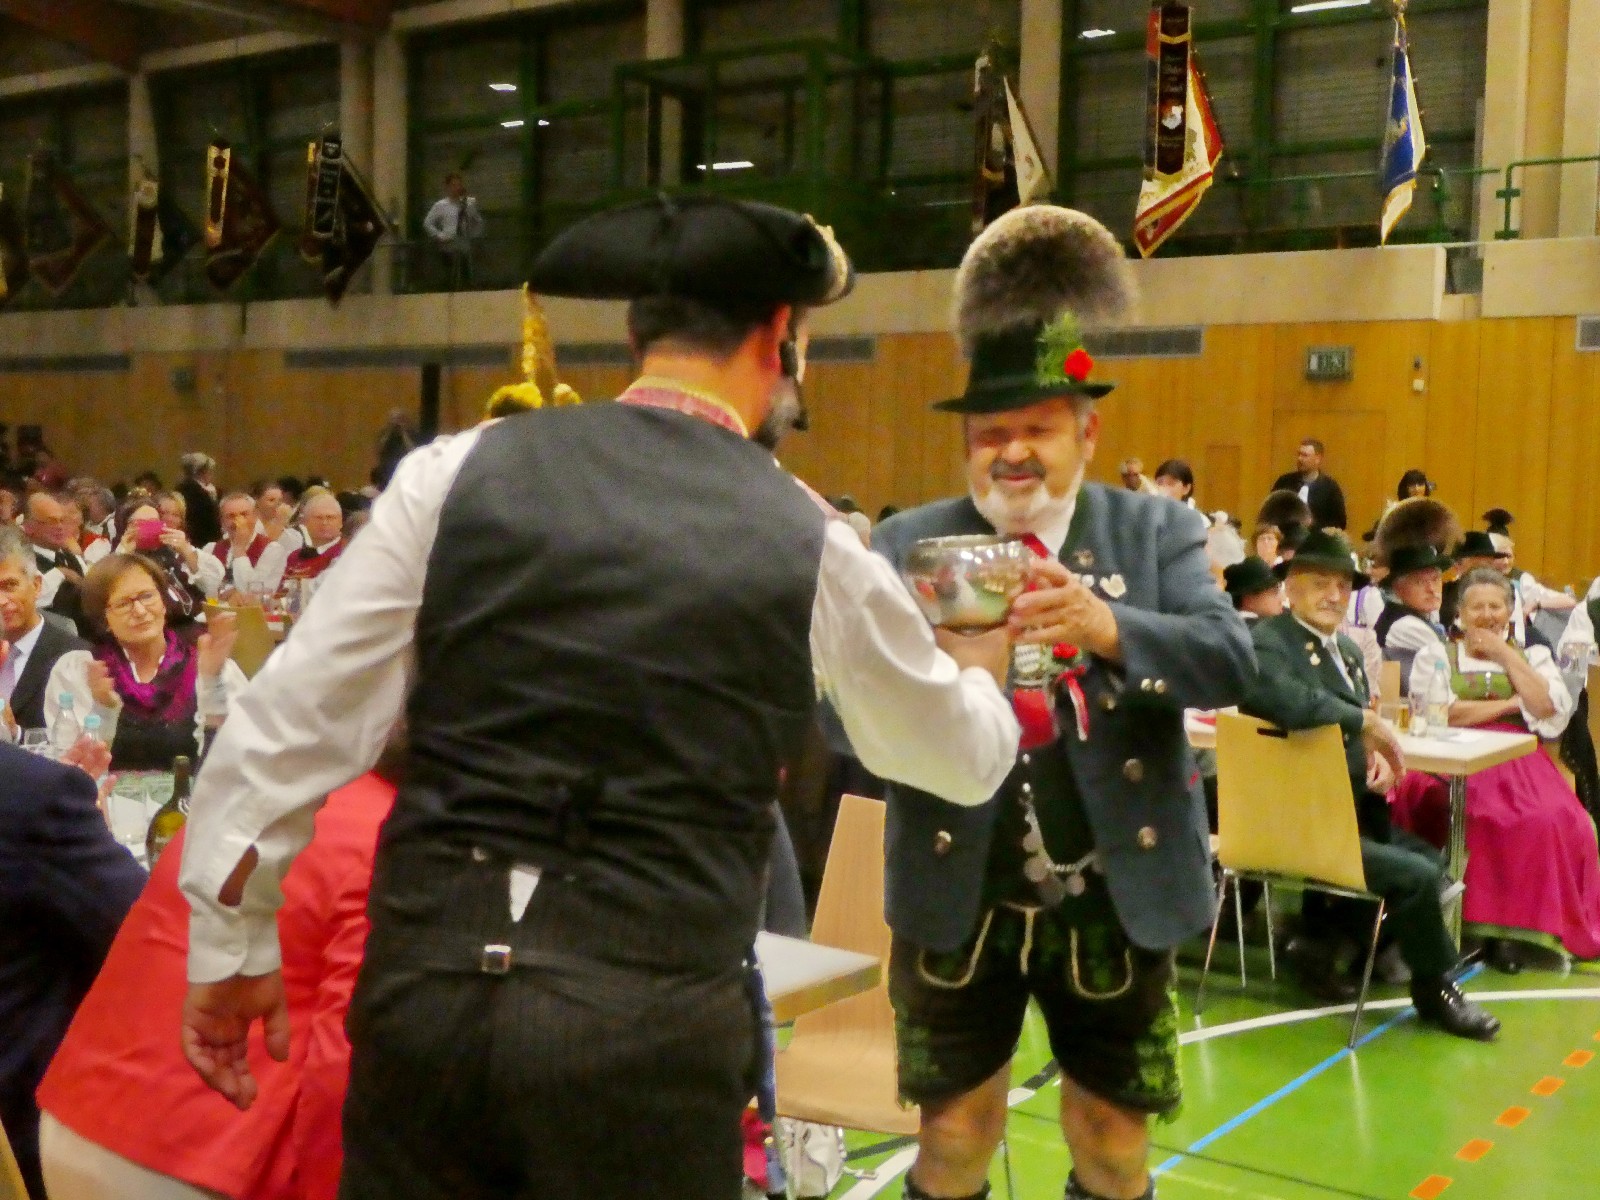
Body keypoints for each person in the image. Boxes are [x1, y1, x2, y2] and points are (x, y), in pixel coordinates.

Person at [176, 195, 1023, 1200]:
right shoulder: (809, 538)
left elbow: (287, 726)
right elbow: (955, 759)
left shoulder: (453, 473)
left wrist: (230, 942)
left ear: (634, 339)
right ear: (781, 338)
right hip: (642, 1040)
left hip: (429, 1005)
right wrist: (983, 668)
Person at [870, 205, 1254, 1200]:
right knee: (953, 1135)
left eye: (1037, 429)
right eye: (991, 434)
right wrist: (946, 672)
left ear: (1087, 431)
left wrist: (1108, 628)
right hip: (959, 889)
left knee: (1113, 1142)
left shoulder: (1155, 532)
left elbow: (1231, 663)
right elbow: (841, 717)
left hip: (1117, 887)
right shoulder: (906, 543)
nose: (1012, 453)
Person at [37, 770, 398, 1200]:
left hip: (78, 1117)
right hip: (200, 1159)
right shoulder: (394, 839)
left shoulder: (278, 783)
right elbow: (349, 1070)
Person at [1240, 530, 1499, 1039]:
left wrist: (1371, 755)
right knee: (1415, 876)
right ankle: (1435, 990)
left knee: (1432, 863)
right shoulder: (1268, 642)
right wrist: (1365, 722)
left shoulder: (1346, 651)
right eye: (1320, 583)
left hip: (1348, 811)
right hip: (1294, 821)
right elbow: (1286, 702)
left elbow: (1347, 728)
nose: (1334, 595)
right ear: (1290, 587)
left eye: (1342, 585)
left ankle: (1322, 945)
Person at [1391, 569, 1600, 971]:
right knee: (1464, 811)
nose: (1487, 615)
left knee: (1555, 818)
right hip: (1450, 752)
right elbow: (1442, 712)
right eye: (1477, 607)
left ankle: (1512, 934)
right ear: (1459, 612)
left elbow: (1545, 706)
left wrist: (1505, 655)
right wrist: (1509, 704)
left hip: (1516, 755)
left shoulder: (1532, 655)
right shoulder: (1437, 654)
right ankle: (1456, 926)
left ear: (1509, 611)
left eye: (1496, 606)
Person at [0, 734, 144, 1200]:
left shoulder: (29, 795)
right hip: (35, 1138)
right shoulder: (29, 795)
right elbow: (144, 939)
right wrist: (79, 828)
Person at [45, 554, 246, 771]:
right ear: (104, 618)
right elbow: (70, 769)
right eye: (124, 604)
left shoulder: (206, 666)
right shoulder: (82, 670)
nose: (140, 611)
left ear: (164, 603)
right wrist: (104, 709)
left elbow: (235, 759)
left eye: (147, 596)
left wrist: (212, 685)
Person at [0, 527, 89, 735]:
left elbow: (79, 742)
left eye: (10, 586)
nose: (1, 601)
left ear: (36, 585)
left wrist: (16, 734)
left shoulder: (74, 657)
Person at [22, 490, 88, 633]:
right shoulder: (22, 560)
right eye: (51, 521)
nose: (59, 527)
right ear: (29, 527)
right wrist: (60, 573)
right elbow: (31, 600)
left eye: (62, 520)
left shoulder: (74, 558)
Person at [204, 492, 289, 601]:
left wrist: (239, 550)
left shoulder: (272, 550)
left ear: (255, 516)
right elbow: (205, 589)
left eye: (244, 514)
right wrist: (227, 592)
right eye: (231, 516)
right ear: (222, 521)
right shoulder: (211, 549)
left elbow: (254, 592)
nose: (237, 521)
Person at [422, 171, 484, 289]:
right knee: (449, 277)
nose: (456, 188)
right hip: (448, 246)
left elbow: (478, 221)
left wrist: (474, 236)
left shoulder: (468, 204)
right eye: (453, 185)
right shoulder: (440, 205)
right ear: (447, 187)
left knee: (466, 278)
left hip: (464, 247)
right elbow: (427, 223)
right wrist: (439, 235)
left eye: (459, 185)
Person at [1270, 438, 1347, 530]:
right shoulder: (1284, 482)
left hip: (1317, 537)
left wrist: (1314, 525)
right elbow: (1270, 512)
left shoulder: (1330, 488)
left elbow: (1339, 523)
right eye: (1299, 454)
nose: (1300, 459)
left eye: (1305, 455)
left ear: (1318, 459)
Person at [282, 492, 345, 582]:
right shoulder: (294, 557)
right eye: (318, 518)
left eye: (330, 517)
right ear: (304, 522)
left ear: (341, 522)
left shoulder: (345, 554)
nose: (324, 522)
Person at [176, 453, 223, 550]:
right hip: (200, 539)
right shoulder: (190, 491)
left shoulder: (208, 490)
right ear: (202, 472)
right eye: (209, 471)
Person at [1223, 556, 1283, 621]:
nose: (1282, 598)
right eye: (1274, 591)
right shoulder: (1248, 625)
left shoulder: (1229, 620)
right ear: (1249, 599)